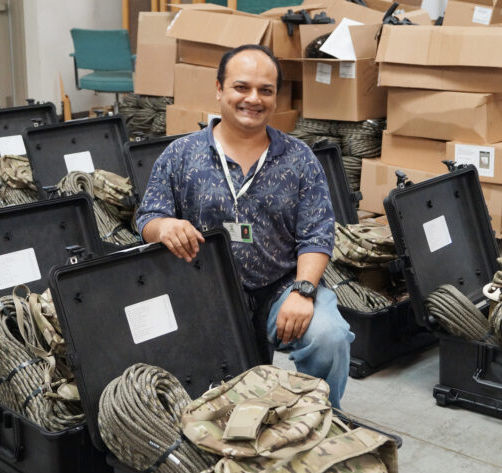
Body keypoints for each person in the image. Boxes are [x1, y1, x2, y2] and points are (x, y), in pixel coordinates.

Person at [135, 44, 354, 408]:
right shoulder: (181, 154)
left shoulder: (299, 158)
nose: (253, 99)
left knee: (329, 335)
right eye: (241, 87)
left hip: (279, 288)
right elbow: (147, 218)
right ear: (219, 89)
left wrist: (302, 291)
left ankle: (319, 422)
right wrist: (164, 227)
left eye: (265, 91)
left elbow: (317, 234)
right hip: (204, 293)